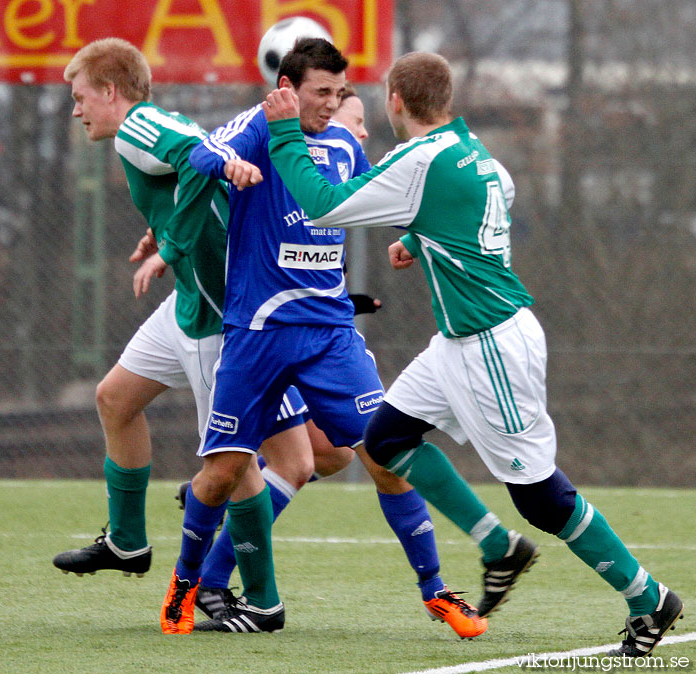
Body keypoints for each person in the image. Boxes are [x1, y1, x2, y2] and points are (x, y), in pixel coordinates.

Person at [263, 51, 685, 658]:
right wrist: (422, 234)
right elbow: (496, 199)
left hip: (491, 344)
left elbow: (326, 206)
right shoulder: (473, 151)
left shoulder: (419, 157)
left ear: (396, 101)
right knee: (385, 441)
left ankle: (648, 597)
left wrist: (283, 133)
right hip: (457, 343)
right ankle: (497, 547)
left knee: (541, 497)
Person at [172, 38, 488, 639]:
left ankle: (436, 593)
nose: (335, 105)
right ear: (289, 88)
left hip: (329, 335)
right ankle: (187, 587)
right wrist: (230, 165)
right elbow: (200, 152)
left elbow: (380, 198)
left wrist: (413, 238)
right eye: (324, 93)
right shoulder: (262, 125)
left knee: (383, 455)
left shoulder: (342, 143)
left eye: (341, 94)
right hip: (259, 332)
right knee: (223, 472)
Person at [52, 38, 349, 592]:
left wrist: (178, 235)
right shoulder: (141, 130)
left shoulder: (139, 127)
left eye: (80, 96)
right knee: (114, 399)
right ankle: (127, 542)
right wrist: (164, 231)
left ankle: (256, 598)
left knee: (238, 464)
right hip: (187, 303)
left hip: (220, 315)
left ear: (110, 91)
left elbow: (194, 152)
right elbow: (195, 170)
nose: (76, 109)